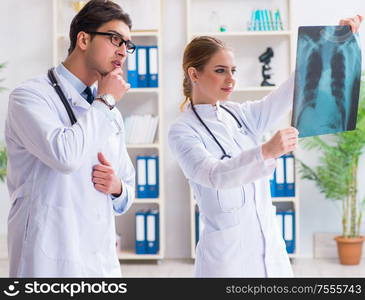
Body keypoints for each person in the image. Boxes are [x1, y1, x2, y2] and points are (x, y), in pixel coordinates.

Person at [168, 16, 362, 277]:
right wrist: (265, 152)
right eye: (220, 70)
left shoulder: (239, 114)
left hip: (270, 250)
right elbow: (212, 174)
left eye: (233, 70)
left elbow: (290, 91)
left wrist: (332, 41)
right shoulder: (182, 130)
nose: (230, 79)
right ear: (194, 73)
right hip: (227, 261)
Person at [5, 0, 136, 277]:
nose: (123, 52)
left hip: (98, 255)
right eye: (115, 39)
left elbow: (127, 186)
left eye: (128, 44)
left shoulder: (108, 110)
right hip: (48, 255)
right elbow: (65, 156)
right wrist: (106, 99)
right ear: (84, 39)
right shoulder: (30, 96)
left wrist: (117, 188)